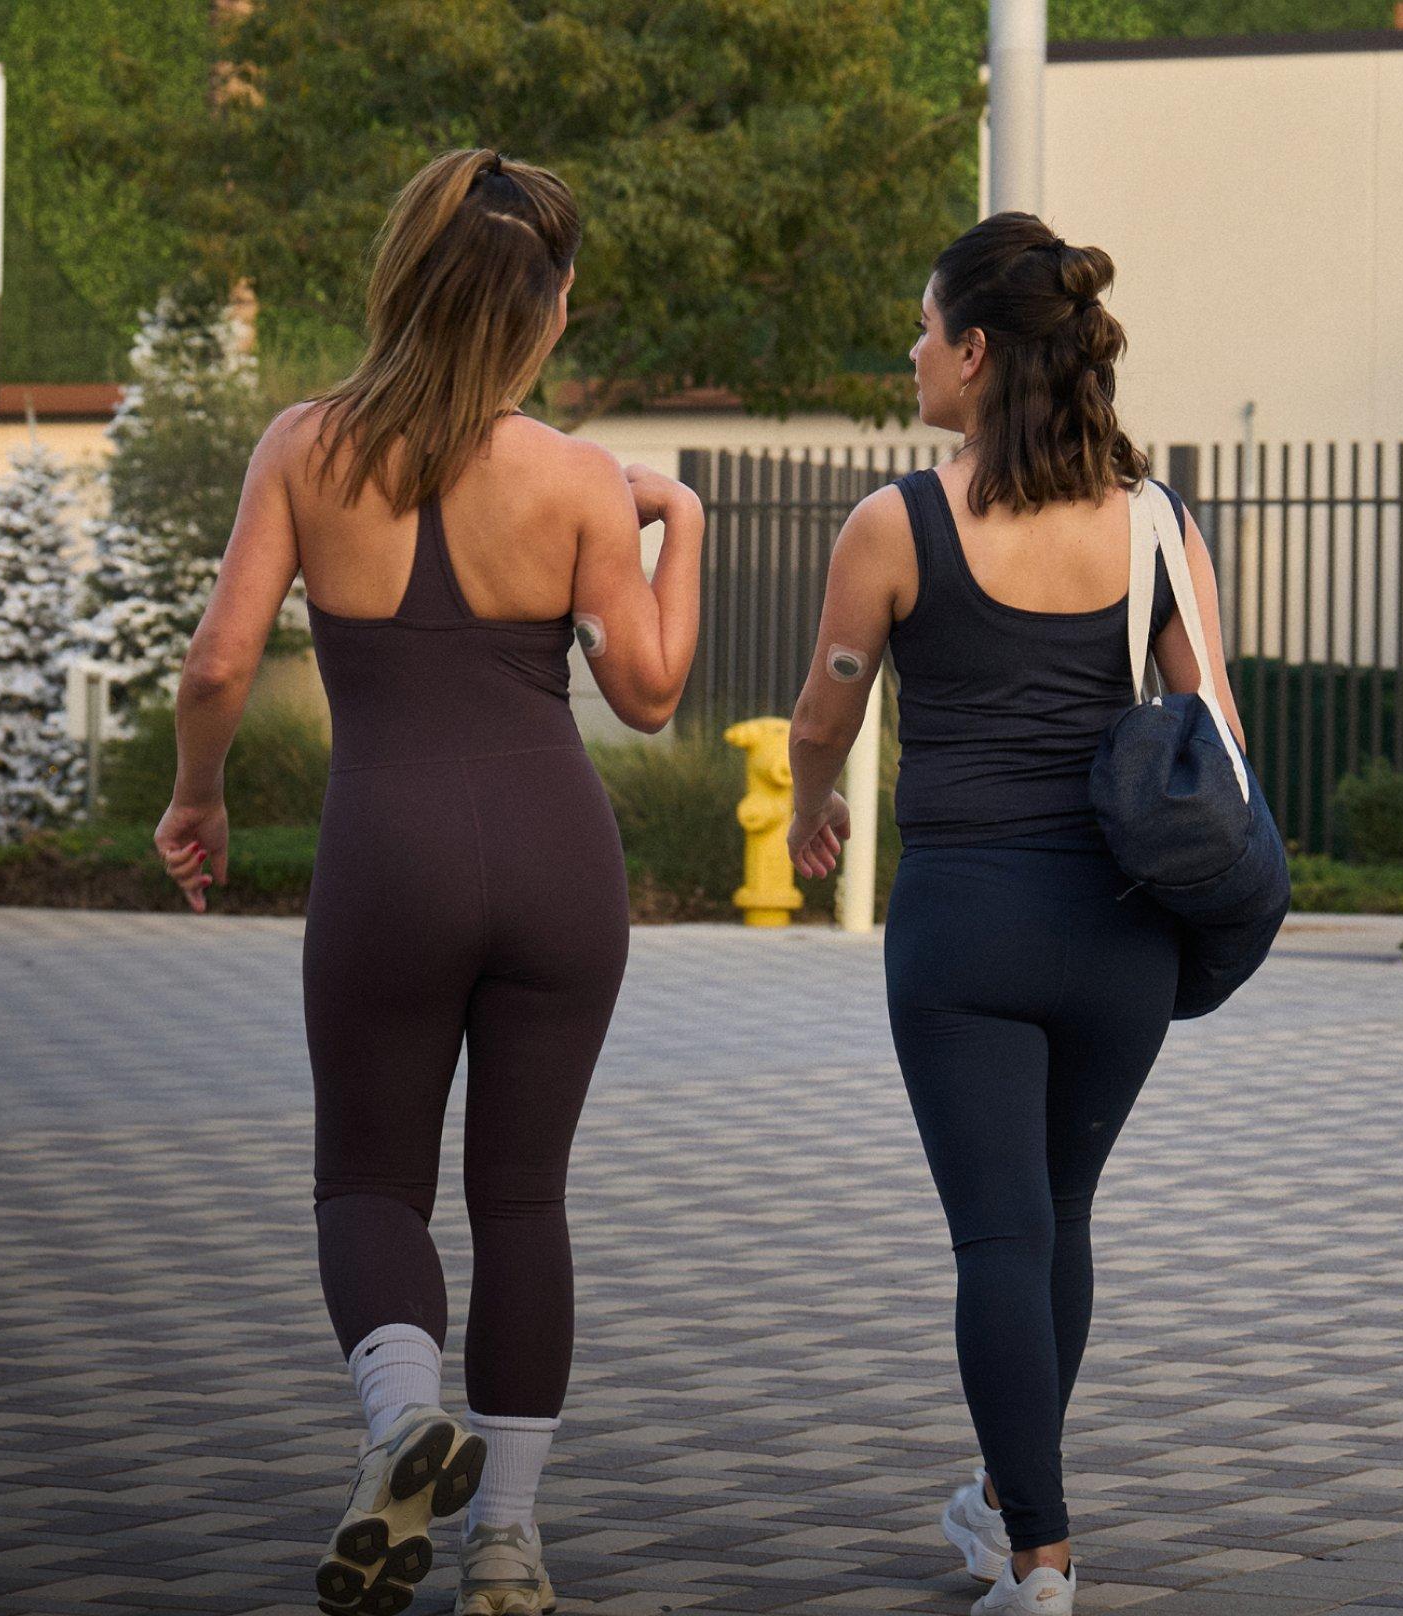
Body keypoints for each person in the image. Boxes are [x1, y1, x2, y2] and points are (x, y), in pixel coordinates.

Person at [152, 148, 701, 1616]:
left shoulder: (306, 446)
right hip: (556, 861)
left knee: (368, 1178)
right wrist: (684, 524)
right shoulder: (586, 481)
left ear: (404, 279)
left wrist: (197, 798)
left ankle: (403, 1422)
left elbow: (215, 664)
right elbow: (648, 694)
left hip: (386, 856)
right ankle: (508, 1545)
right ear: (540, 319)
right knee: (523, 1198)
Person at [780, 213, 1247, 1616]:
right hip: (1122, 935)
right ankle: (1007, 1504)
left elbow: (825, 709)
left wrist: (817, 803)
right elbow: (1215, 730)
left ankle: (1039, 1557)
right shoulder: (1158, 521)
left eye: (926, 330)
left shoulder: (897, 522)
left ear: (975, 355)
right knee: (1060, 1214)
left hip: (964, 929)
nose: (912, 354)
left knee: (999, 1236)